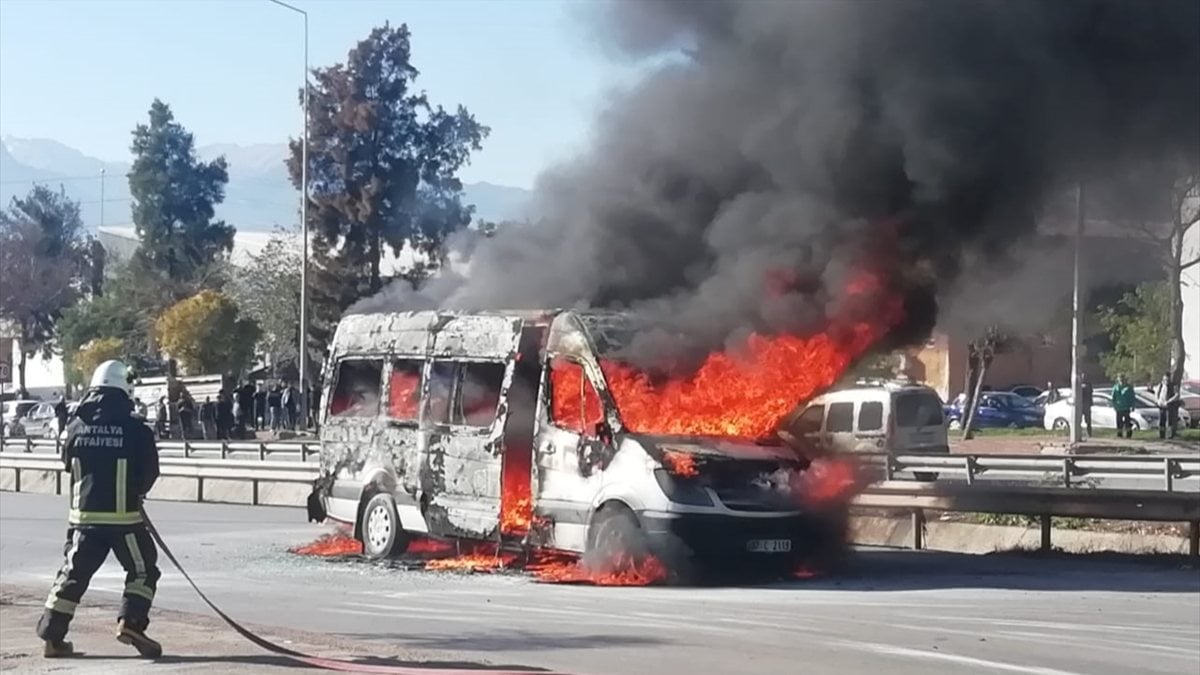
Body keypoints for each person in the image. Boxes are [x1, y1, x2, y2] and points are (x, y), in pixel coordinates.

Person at [36, 359, 163, 659]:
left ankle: (52, 638)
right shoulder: (135, 429)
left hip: (84, 520)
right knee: (143, 570)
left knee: (72, 575)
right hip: (125, 520)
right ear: (125, 388)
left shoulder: (75, 426)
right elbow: (150, 471)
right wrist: (136, 491)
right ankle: (131, 623)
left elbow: (68, 463)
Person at [1153, 373, 1180, 440]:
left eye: (1167, 379)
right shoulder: (1161, 385)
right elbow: (1156, 393)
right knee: (1162, 421)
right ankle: (1161, 435)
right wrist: (1157, 400)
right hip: (1161, 405)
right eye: (1164, 379)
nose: (1165, 381)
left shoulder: (1173, 385)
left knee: (1169, 421)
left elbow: (1177, 395)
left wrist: (1169, 401)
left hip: (1169, 405)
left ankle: (1170, 435)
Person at [1111, 374, 1136, 439]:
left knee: (1127, 421)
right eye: (1120, 378)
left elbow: (1132, 397)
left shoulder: (1128, 387)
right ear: (1118, 379)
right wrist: (1114, 406)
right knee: (1119, 422)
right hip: (1119, 408)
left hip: (1126, 407)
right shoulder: (1115, 387)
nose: (1121, 380)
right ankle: (1119, 434)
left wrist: (1132, 406)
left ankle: (1128, 434)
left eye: (1122, 378)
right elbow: (1113, 398)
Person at [1079, 372, 1093, 438]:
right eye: (1082, 376)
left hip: (1087, 405)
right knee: (1078, 421)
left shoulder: (1088, 385)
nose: (1084, 378)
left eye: (1085, 376)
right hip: (1079, 405)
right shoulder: (1078, 384)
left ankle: (1089, 434)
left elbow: (1089, 392)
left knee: (1088, 421)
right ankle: (1079, 434)